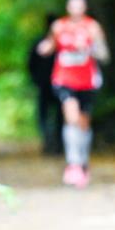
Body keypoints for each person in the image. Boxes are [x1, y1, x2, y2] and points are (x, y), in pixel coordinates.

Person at [40, 0, 109, 187]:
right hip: (64, 79)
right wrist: (45, 47)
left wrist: (89, 48)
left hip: (87, 80)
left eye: (80, 5)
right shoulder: (59, 26)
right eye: (73, 5)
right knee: (71, 117)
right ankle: (73, 164)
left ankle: (83, 162)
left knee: (83, 122)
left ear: (84, 8)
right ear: (68, 7)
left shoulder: (92, 27)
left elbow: (104, 54)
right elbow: (49, 46)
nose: (76, 9)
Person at [28, 13, 64, 155]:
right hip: (47, 85)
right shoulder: (42, 43)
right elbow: (31, 64)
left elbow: (30, 65)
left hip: (55, 84)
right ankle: (52, 142)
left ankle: (53, 143)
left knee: (50, 116)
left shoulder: (62, 44)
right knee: (51, 116)